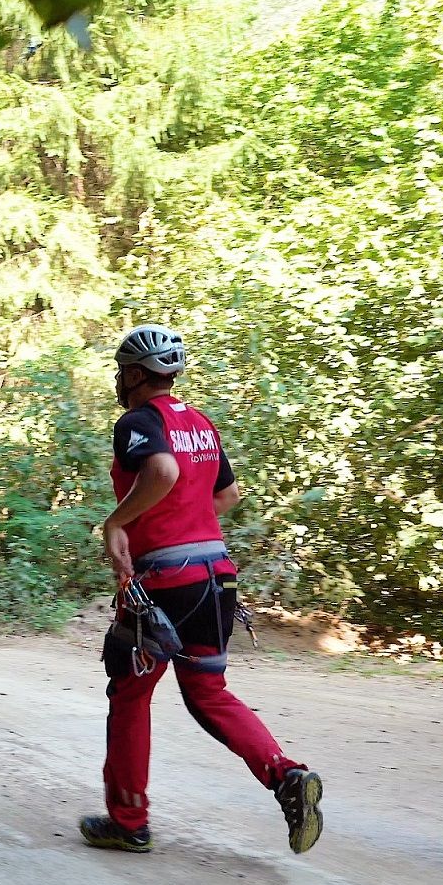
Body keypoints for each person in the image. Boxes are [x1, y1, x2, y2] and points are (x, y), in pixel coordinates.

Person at [81, 324, 324, 855]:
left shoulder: (138, 421)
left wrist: (119, 523)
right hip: (216, 577)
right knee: (208, 693)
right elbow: (228, 495)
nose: (119, 380)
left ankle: (129, 821)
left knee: (130, 693)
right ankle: (286, 777)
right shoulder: (202, 425)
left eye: (123, 371)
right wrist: (179, 520)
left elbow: (162, 471)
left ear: (138, 374)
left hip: (164, 582)